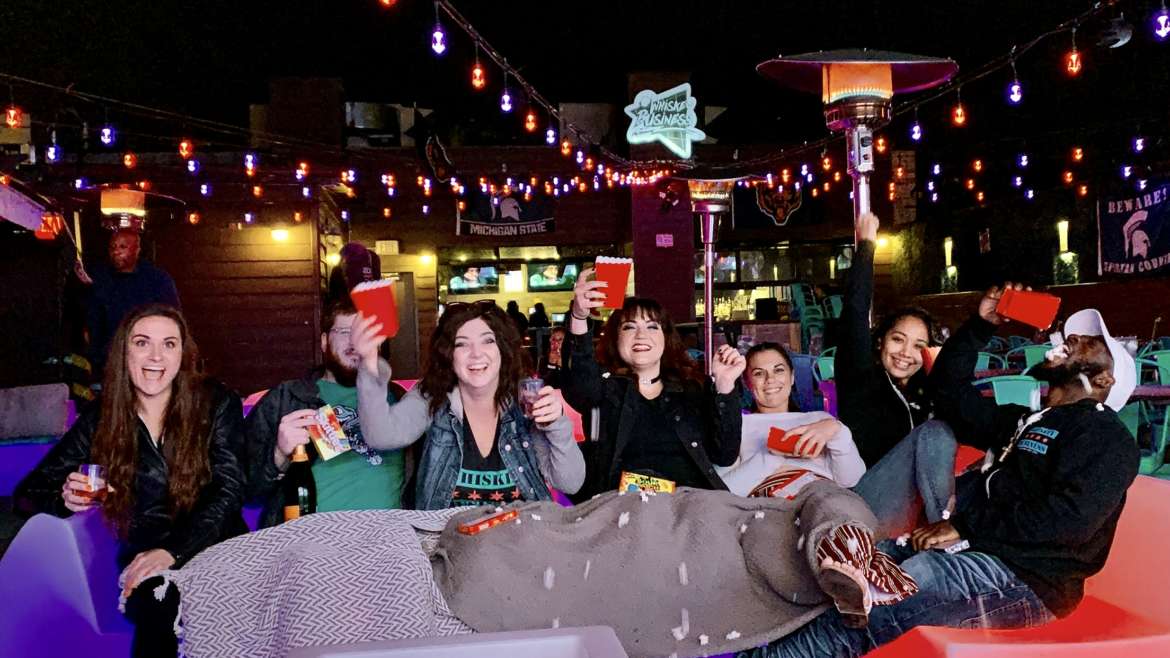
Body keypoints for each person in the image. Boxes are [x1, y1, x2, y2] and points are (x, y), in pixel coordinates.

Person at [747, 288, 1139, 658]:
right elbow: (950, 394)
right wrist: (981, 325)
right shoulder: (1024, 423)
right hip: (980, 550)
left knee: (901, 583)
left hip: (1028, 581)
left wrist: (965, 526)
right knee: (862, 562)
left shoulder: (1105, 434)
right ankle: (758, 640)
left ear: (1104, 380)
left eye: (1091, 343)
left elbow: (1068, 522)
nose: (1072, 339)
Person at [14, 304, 247, 658]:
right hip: (145, 558)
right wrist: (65, 498)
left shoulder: (216, 402)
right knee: (160, 602)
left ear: (182, 354)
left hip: (218, 548)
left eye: (169, 344)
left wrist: (173, 552)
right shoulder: (102, 418)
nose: (156, 356)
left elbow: (229, 489)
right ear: (124, 352)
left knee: (223, 610)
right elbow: (27, 494)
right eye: (142, 343)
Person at [352, 300, 584, 509]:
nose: (476, 354)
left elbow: (570, 483)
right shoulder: (431, 396)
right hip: (447, 538)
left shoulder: (525, 400)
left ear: (502, 349)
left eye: (488, 341)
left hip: (520, 535)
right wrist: (369, 363)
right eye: (461, 344)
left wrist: (556, 423)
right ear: (448, 355)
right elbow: (381, 435)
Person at [560, 269, 746, 499]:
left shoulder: (692, 389)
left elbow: (725, 455)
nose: (641, 335)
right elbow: (579, 381)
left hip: (690, 505)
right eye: (629, 327)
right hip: (622, 509)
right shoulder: (603, 390)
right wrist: (579, 318)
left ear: (666, 338)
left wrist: (725, 386)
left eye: (652, 326)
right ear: (615, 339)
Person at [839, 213, 954, 539]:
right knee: (934, 433)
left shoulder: (925, 393)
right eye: (898, 339)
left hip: (913, 510)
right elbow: (855, 312)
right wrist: (866, 245)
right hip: (870, 502)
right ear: (881, 341)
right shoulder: (862, 378)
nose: (905, 353)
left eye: (919, 346)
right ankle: (945, 536)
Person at [245, 299, 408, 527]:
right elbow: (244, 489)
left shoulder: (400, 400)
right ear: (324, 341)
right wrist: (279, 455)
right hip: (312, 536)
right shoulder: (288, 398)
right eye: (345, 332)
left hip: (388, 535)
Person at [718, 342, 865, 497]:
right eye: (759, 373)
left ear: (792, 377)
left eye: (779, 370)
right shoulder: (738, 426)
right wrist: (774, 453)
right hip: (766, 504)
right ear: (747, 383)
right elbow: (722, 493)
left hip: (823, 497)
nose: (770, 379)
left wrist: (837, 431)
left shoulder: (821, 420)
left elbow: (850, 480)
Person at [83, 229, 181, 377]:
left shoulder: (157, 280)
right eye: (113, 247)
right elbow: (92, 320)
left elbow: (173, 319)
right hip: (110, 360)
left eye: (123, 247)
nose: (116, 252)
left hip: (147, 359)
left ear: (137, 249)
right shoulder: (101, 278)